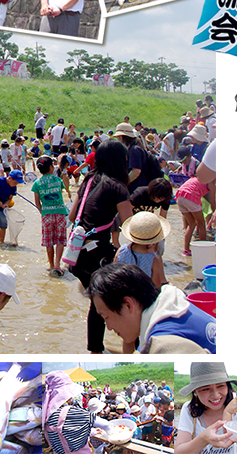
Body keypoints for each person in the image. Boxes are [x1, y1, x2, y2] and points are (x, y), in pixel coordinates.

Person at [66, 139, 133, 353]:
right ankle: (130, 345)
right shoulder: (118, 187)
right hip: (98, 255)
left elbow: (72, 215)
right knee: (120, 299)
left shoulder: (88, 180)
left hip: (77, 255)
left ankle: (96, 348)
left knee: (97, 302)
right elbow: (131, 226)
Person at [86, 263, 216, 354]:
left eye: (106, 317)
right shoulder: (174, 301)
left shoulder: (163, 341)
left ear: (128, 305)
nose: (108, 327)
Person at [175, 362, 237, 454]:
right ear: (195, 391)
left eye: (220, 386)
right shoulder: (189, 410)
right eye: (205, 389)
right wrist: (203, 439)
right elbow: (178, 452)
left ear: (227, 386)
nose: (215, 395)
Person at [43, 370, 109, 454]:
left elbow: (66, 433)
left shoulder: (48, 413)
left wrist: (92, 431)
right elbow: (106, 424)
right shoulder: (70, 412)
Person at [32, 156, 68, 277]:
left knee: (49, 241)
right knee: (60, 240)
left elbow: (37, 202)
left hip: (46, 214)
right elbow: (63, 191)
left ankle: (51, 265)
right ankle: (58, 265)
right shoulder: (58, 180)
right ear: (51, 167)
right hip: (60, 213)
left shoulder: (37, 183)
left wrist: (42, 212)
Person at [115, 211, 169, 287]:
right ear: (154, 240)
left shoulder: (121, 251)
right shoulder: (153, 259)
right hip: (143, 297)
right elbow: (156, 286)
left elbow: (114, 275)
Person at [176, 175, 214, 257]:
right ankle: (203, 248)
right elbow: (213, 203)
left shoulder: (197, 178)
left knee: (192, 224)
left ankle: (186, 250)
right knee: (201, 224)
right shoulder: (211, 184)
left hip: (179, 196)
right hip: (190, 197)